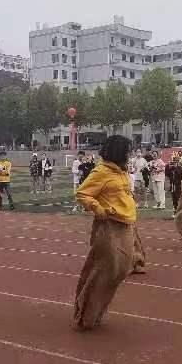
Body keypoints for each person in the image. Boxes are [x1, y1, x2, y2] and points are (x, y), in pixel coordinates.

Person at [72, 135, 138, 330]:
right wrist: (97, 208)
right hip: (109, 225)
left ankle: (97, 310)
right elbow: (82, 193)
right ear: (118, 152)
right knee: (103, 271)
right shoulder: (101, 171)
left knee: (120, 271)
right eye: (127, 150)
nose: (129, 154)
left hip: (125, 225)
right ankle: (86, 314)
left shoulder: (122, 171)